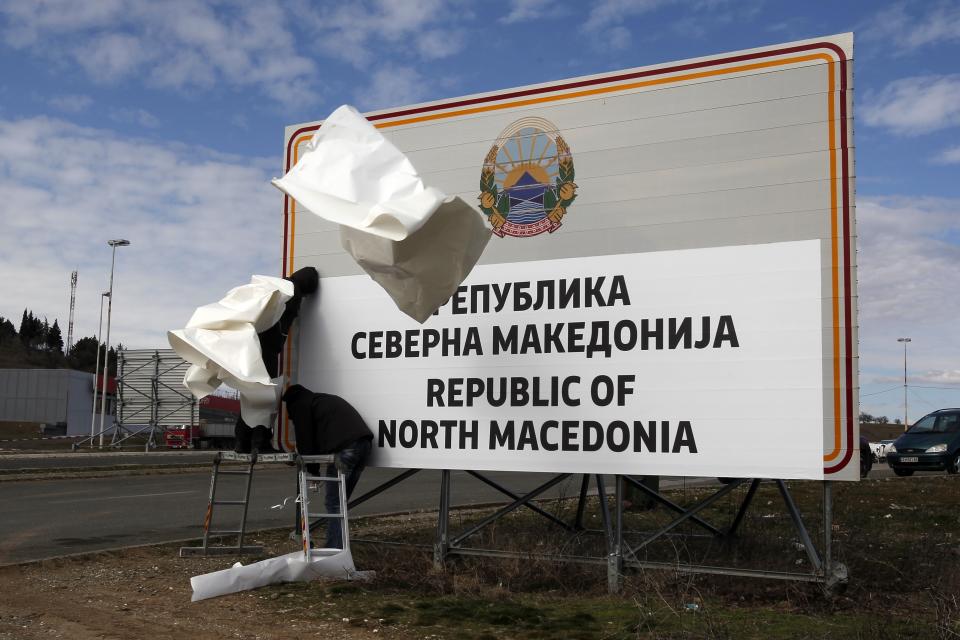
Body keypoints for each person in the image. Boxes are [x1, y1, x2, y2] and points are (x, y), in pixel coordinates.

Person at [234, 267, 320, 454]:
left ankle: (241, 441)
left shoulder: (273, 286)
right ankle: (260, 442)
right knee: (266, 396)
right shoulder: (291, 292)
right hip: (266, 351)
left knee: (251, 395)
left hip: (249, 348)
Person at [282, 384, 373, 549]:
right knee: (340, 502)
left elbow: (306, 442)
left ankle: (335, 549)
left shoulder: (300, 404)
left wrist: (313, 472)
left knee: (335, 502)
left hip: (346, 449)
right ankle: (338, 547)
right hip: (364, 446)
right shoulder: (319, 401)